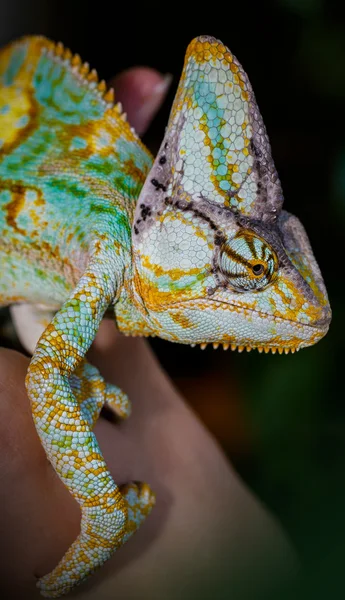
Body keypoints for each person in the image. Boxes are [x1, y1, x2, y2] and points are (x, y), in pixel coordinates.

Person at [0, 65, 296, 599]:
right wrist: (101, 512)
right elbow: (44, 380)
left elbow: (38, 301)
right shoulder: (116, 246)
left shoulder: (121, 249)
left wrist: (67, 355)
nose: (253, 288)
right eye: (248, 267)